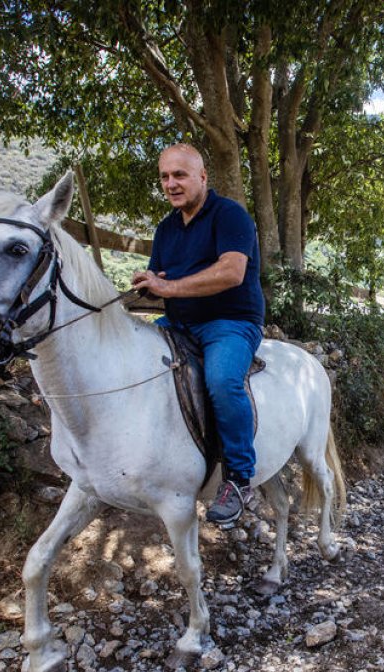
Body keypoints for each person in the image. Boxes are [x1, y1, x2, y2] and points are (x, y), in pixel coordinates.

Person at [131, 143, 265, 525]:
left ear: (203, 177)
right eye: (164, 177)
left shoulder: (231, 215)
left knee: (222, 380)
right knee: (131, 359)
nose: (171, 184)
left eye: (180, 175)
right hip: (178, 322)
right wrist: (150, 284)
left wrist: (169, 288)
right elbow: (163, 280)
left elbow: (232, 272)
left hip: (231, 321)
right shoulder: (166, 228)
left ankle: (238, 478)